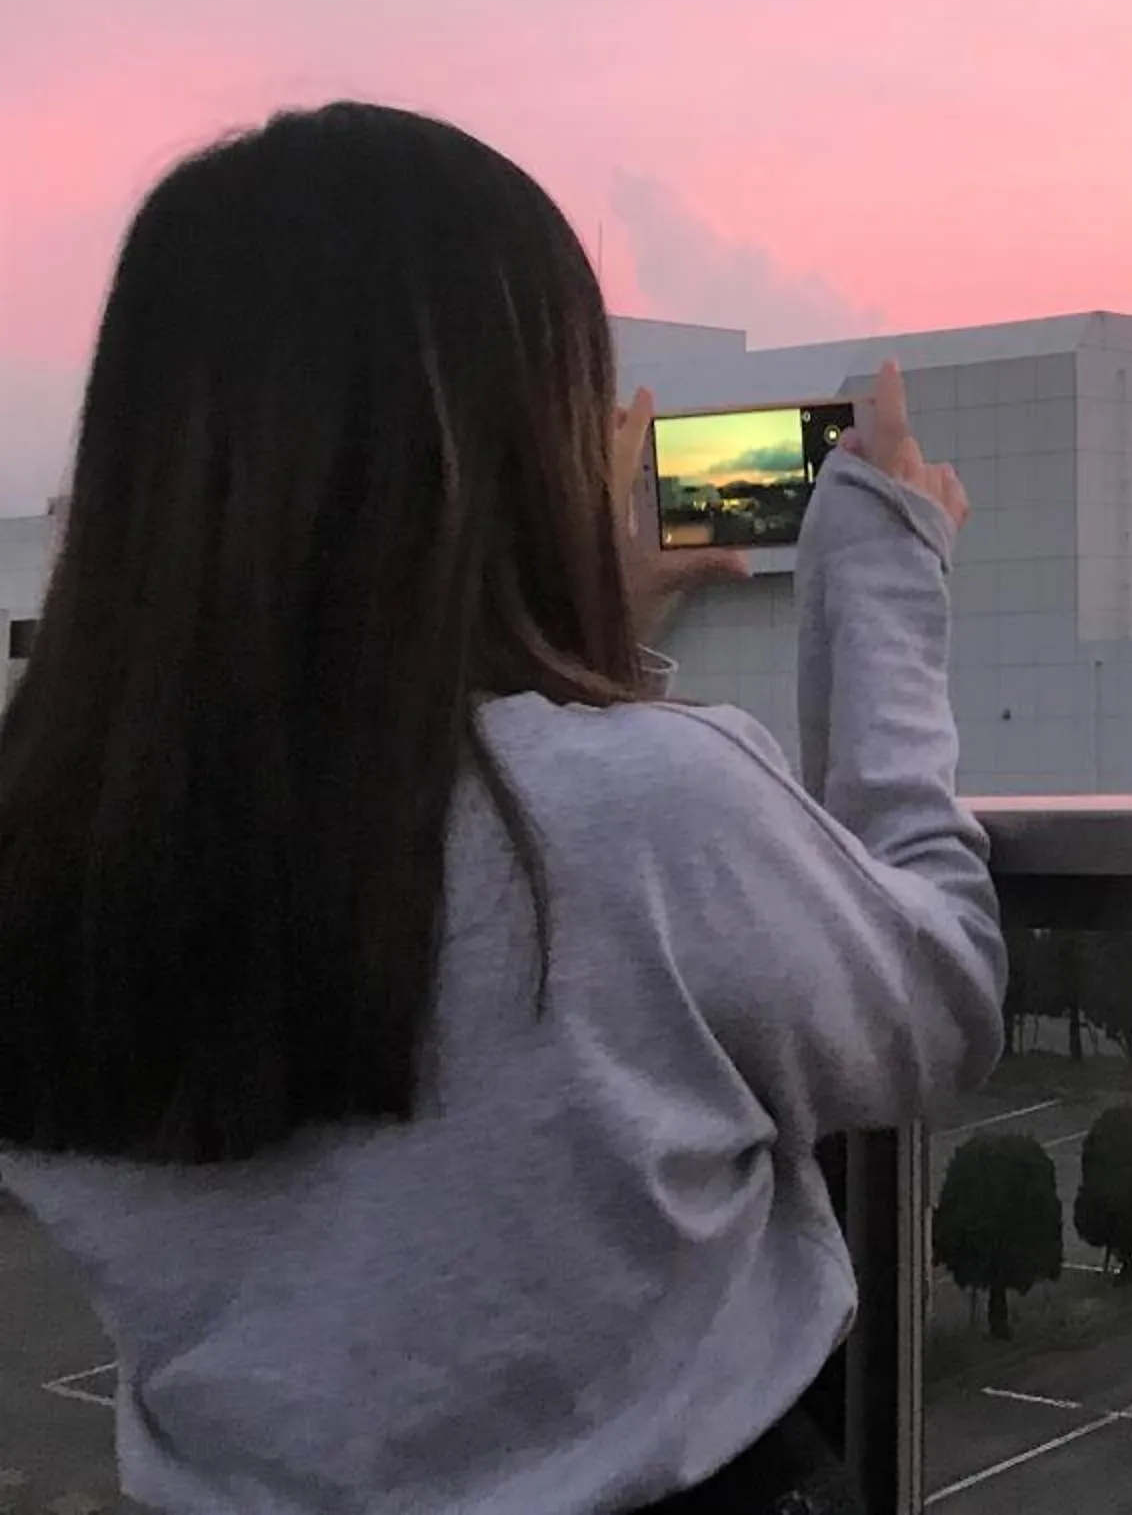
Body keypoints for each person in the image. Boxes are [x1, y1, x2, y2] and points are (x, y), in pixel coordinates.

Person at [0, 103, 1007, 1513]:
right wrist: (885, 571)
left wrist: (585, 638)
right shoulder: (646, 803)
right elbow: (940, 1001)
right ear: (506, 440)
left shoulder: (57, 845)